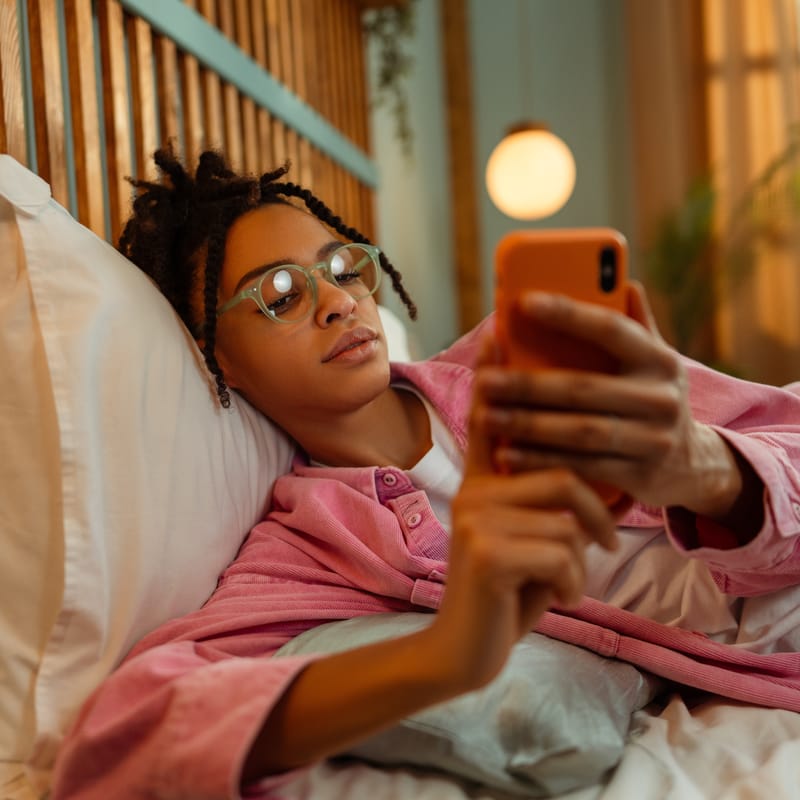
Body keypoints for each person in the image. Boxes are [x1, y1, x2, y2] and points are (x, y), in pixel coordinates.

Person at [52, 148, 800, 798]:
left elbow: (785, 431)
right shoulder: (310, 550)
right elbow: (123, 742)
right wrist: (444, 657)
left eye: (343, 268)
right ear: (217, 360)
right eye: (280, 294)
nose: (340, 303)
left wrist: (708, 474)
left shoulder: (519, 355)